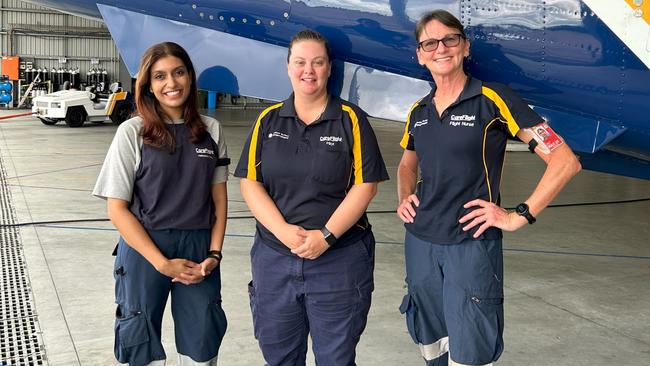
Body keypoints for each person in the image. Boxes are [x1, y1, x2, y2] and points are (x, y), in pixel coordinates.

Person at [396, 10, 581, 366]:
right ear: (420, 54)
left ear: (465, 47)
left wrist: (518, 216)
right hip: (420, 242)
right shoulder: (418, 110)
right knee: (431, 339)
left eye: (450, 39)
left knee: (472, 348)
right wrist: (405, 197)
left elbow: (564, 160)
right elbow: (407, 162)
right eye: (429, 43)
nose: (441, 49)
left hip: (471, 243)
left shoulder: (494, 99)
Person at [234, 29, 389, 366]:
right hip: (275, 259)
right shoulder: (267, 120)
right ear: (288, 67)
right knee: (279, 357)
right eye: (301, 62)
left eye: (317, 62)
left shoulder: (351, 120)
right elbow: (250, 182)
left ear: (329, 68)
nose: (309, 70)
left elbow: (366, 186)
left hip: (339, 261)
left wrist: (326, 237)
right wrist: (282, 231)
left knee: (335, 358)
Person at [93, 41, 229, 366]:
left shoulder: (211, 129)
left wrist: (214, 254)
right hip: (144, 248)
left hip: (198, 248)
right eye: (160, 76)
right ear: (149, 86)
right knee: (140, 342)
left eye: (178, 72)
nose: (171, 83)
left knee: (202, 342)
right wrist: (160, 262)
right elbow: (117, 208)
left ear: (190, 77)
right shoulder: (133, 132)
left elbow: (219, 201)